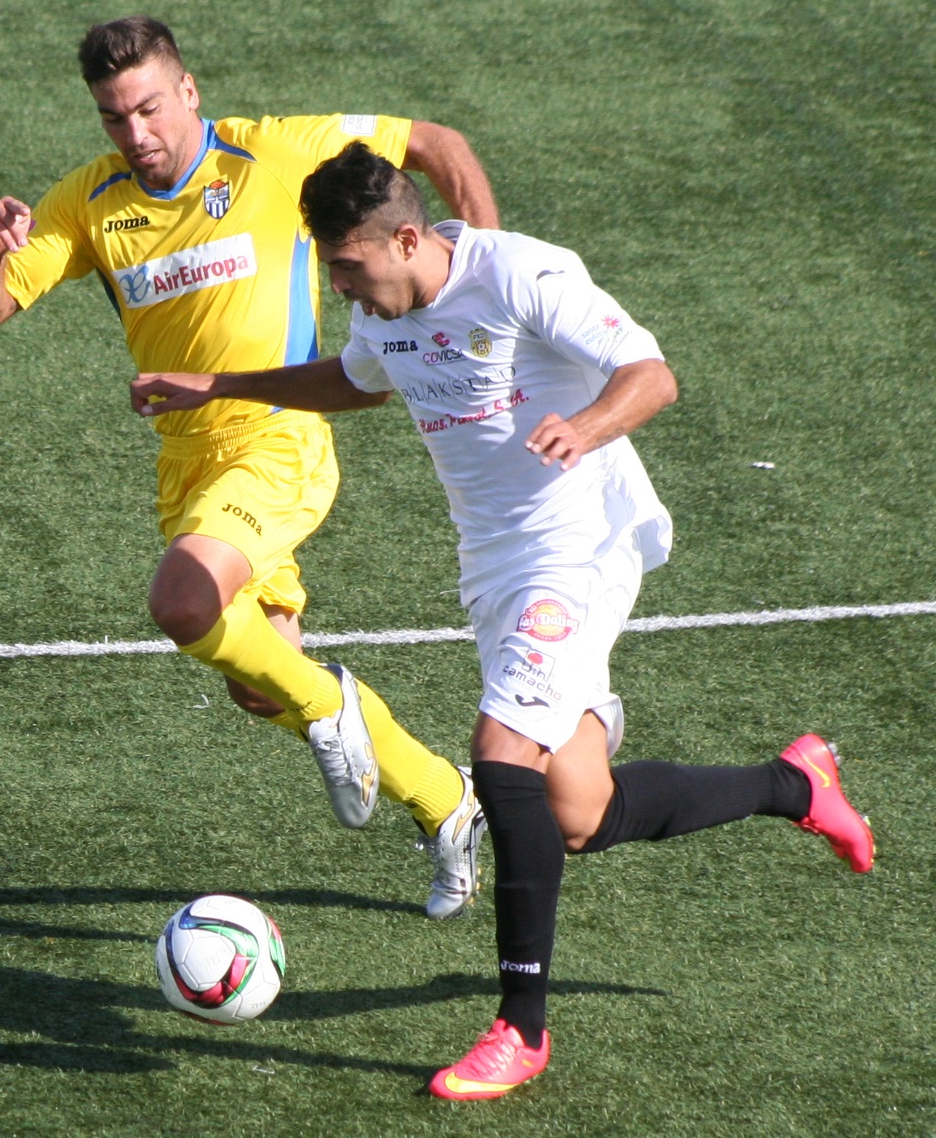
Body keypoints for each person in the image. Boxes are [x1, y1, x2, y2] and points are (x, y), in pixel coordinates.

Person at [129, 142, 876, 1099]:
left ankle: (520, 1028)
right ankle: (794, 783)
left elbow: (651, 375)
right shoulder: (379, 308)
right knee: (578, 813)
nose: (340, 285)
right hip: (493, 565)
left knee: (499, 754)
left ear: (407, 239)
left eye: (348, 265)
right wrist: (223, 385)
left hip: (579, 542)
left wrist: (586, 426)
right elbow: (358, 379)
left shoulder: (521, 273)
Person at [0, 16, 500, 918]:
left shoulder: (269, 153)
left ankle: (330, 713)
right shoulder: (89, 201)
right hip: (186, 463)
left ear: (189, 91)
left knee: (182, 602)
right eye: (113, 117)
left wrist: (478, 279)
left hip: (277, 438)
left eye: (148, 109)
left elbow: (435, 144)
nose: (135, 134)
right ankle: (446, 801)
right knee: (258, 681)